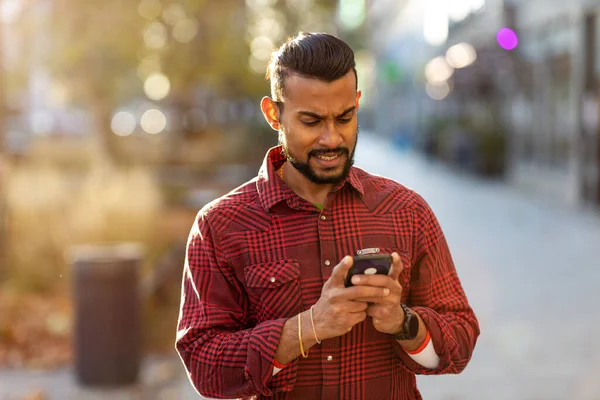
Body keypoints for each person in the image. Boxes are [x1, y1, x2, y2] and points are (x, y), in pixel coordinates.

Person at [176, 32, 480, 400]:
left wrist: (403, 323)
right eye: (311, 121)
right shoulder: (221, 225)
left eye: (345, 117)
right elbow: (204, 365)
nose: (332, 138)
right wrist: (308, 327)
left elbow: (461, 340)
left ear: (357, 103)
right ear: (274, 114)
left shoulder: (406, 211)